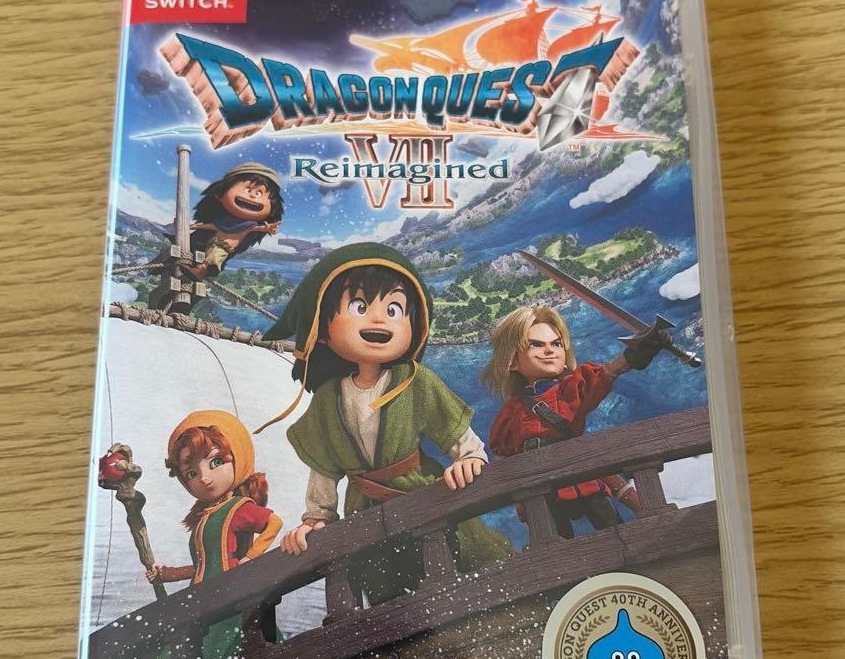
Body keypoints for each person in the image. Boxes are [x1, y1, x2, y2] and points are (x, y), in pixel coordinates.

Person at [261, 242, 511, 603]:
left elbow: (456, 433)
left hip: (422, 496)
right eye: (360, 307)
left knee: (461, 570)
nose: (378, 320)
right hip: (364, 513)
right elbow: (324, 468)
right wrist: (317, 517)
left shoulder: (416, 381)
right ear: (324, 326)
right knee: (388, 595)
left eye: (394, 309)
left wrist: (469, 458)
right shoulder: (328, 399)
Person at [481, 306, 660, 539]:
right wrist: (518, 496)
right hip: (541, 489)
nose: (549, 350)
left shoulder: (569, 390)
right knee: (556, 544)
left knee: (613, 528)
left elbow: (604, 375)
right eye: (536, 345)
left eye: (556, 344)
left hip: (582, 478)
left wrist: (631, 357)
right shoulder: (510, 413)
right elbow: (503, 458)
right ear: (513, 362)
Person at [141, 410, 282, 659]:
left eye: (216, 462)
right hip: (200, 593)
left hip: (227, 592)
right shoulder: (203, 519)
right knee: (180, 640)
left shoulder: (238, 508)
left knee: (219, 640)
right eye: (192, 473)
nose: (204, 478)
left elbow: (273, 523)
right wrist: (167, 574)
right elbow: (203, 565)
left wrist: (250, 558)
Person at [179, 162, 285, 281]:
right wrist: (192, 227)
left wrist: (268, 229)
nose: (252, 196)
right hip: (211, 243)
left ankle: (200, 271)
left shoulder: (248, 226)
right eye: (248, 190)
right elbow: (213, 226)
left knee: (213, 257)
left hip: (223, 247)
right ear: (221, 192)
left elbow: (257, 228)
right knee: (208, 252)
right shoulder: (225, 221)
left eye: (258, 193)